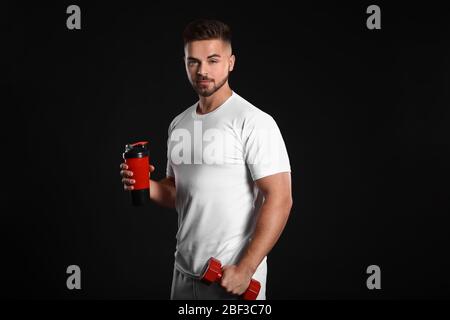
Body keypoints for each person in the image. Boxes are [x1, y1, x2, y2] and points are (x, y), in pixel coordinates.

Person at [120, 19, 292, 300]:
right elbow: (179, 192)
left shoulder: (253, 121)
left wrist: (246, 268)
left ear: (231, 62)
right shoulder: (179, 124)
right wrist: (146, 185)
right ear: (185, 63)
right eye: (193, 62)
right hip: (184, 275)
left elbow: (280, 198)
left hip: (232, 279)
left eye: (213, 60)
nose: (202, 71)